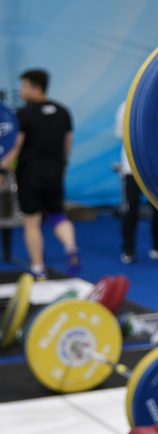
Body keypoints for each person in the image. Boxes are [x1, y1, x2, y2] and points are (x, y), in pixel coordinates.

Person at [0, 69, 80, 279]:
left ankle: (38, 268)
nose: (21, 91)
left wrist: (2, 167)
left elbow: (15, 148)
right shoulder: (63, 112)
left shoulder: (23, 115)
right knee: (58, 216)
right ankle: (70, 246)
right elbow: (67, 144)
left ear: (36, 88)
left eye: (24, 86)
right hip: (55, 173)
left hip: (30, 175)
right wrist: (62, 165)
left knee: (32, 221)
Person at [115, 101, 158, 263]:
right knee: (130, 208)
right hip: (132, 168)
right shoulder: (126, 106)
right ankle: (128, 249)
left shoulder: (157, 103)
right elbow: (121, 133)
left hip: (154, 168)